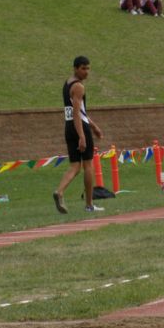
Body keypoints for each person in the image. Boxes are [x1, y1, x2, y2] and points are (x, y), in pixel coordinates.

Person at [53, 56, 104, 214]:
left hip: (68, 126)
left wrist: (94, 126)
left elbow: (79, 111)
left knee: (75, 166)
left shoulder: (67, 83)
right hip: (79, 127)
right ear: (75, 68)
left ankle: (59, 191)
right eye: (83, 68)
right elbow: (77, 113)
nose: (86, 72)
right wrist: (82, 135)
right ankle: (89, 205)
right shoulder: (79, 87)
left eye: (88, 68)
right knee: (88, 166)